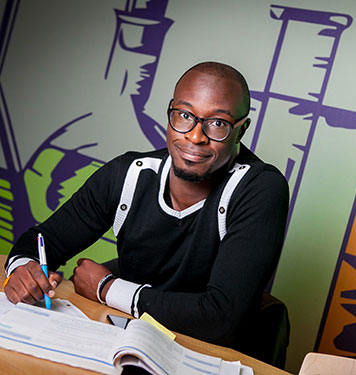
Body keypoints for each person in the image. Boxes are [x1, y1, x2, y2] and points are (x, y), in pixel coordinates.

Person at [4, 61, 289, 350]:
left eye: (218, 123)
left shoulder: (259, 189)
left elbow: (221, 319)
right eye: (184, 115)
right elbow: (44, 240)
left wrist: (107, 288)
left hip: (205, 356)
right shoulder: (129, 173)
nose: (195, 136)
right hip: (127, 343)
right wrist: (23, 269)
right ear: (171, 113)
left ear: (241, 130)